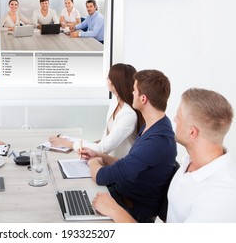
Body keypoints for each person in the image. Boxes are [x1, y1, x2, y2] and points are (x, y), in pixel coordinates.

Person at [92, 88, 236, 223]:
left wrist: (114, 210)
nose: (174, 119)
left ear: (192, 132)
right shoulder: (191, 163)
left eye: (179, 117)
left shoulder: (220, 197)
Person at [81, 69, 177, 223]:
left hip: (131, 212)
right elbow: (127, 165)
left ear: (143, 98)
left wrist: (93, 162)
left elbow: (101, 176)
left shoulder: (156, 141)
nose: (131, 93)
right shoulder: (153, 126)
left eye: (134, 90)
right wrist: (100, 156)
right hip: (121, 197)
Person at [49, 63, 144, 159]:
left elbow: (102, 148)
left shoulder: (129, 115)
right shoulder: (115, 101)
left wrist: (68, 144)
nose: (106, 80)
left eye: (108, 78)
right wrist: (86, 145)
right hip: (105, 158)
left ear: (115, 84)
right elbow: (105, 138)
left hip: (118, 164)